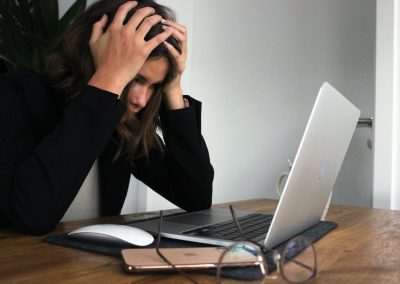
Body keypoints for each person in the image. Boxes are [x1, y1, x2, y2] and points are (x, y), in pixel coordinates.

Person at [0, 0, 214, 235]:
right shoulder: (16, 94)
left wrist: (173, 87)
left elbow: (196, 198)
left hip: (92, 269)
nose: (141, 100)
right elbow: (31, 216)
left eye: (155, 85)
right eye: (135, 78)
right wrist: (109, 77)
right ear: (93, 56)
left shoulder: (121, 125)